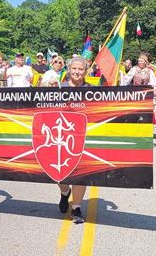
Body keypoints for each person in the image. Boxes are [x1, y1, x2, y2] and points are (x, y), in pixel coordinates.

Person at [56, 56, 93, 223]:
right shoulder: (59, 87)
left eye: (81, 69)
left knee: (80, 174)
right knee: (59, 175)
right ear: (69, 69)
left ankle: (77, 208)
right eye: (74, 69)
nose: (77, 72)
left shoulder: (92, 90)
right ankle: (65, 193)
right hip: (60, 137)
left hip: (82, 137)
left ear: (85, 71)